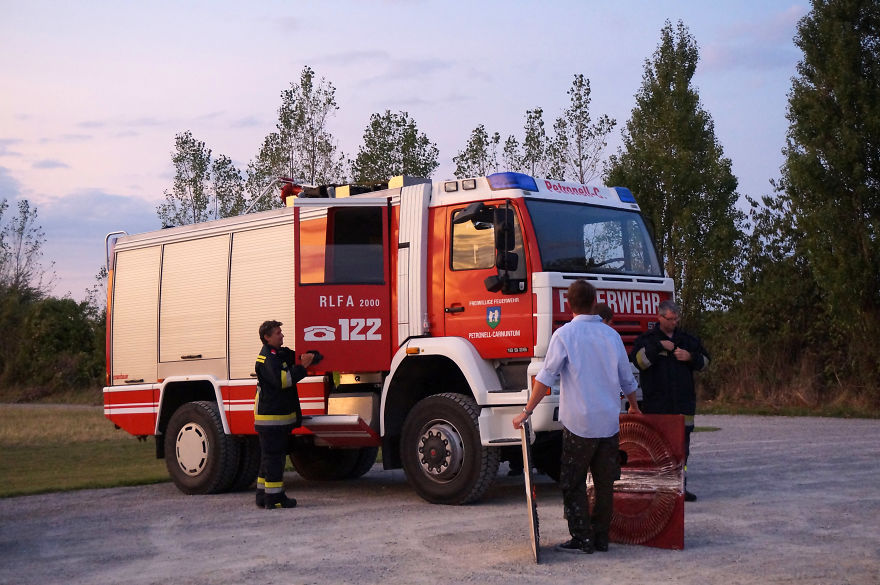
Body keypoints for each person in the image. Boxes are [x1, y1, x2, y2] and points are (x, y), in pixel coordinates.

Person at [513, 280, 641, 554]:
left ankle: (582, 538)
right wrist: (634, 407)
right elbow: (627, 379)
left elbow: (545, 378)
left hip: (578, 425)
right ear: (595, 302)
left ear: (568, 305)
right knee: (605, 484)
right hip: (608, 423)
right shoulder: (611, 336)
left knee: (573, 481)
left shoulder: (564, 335)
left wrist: (527, 411)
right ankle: (601, 538)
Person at [630, 300, 709, 502]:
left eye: (676, 319)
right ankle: (659, 490)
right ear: (659, 317)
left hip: (683, 406)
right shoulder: (647, 340)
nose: (675, 322)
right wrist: (657, 347)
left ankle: (680, 488)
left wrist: (690, 356)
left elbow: (705, 362)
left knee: (682, 450)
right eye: (670, 319)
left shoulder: (687, 340)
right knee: (657, 450)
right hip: (657, 407)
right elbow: (639, 362)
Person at [254, 320, 315, 510]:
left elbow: (289, 356)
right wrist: (303, 367)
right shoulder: (268, 358)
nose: (282, 335)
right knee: (274, 460)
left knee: (268, 459)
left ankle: (262, 496)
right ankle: (275, 499)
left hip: (271, 420)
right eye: (278, 333)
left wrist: (302, 356)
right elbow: (284, 380)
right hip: (272, 420)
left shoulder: (275, 354)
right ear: (267, 337)